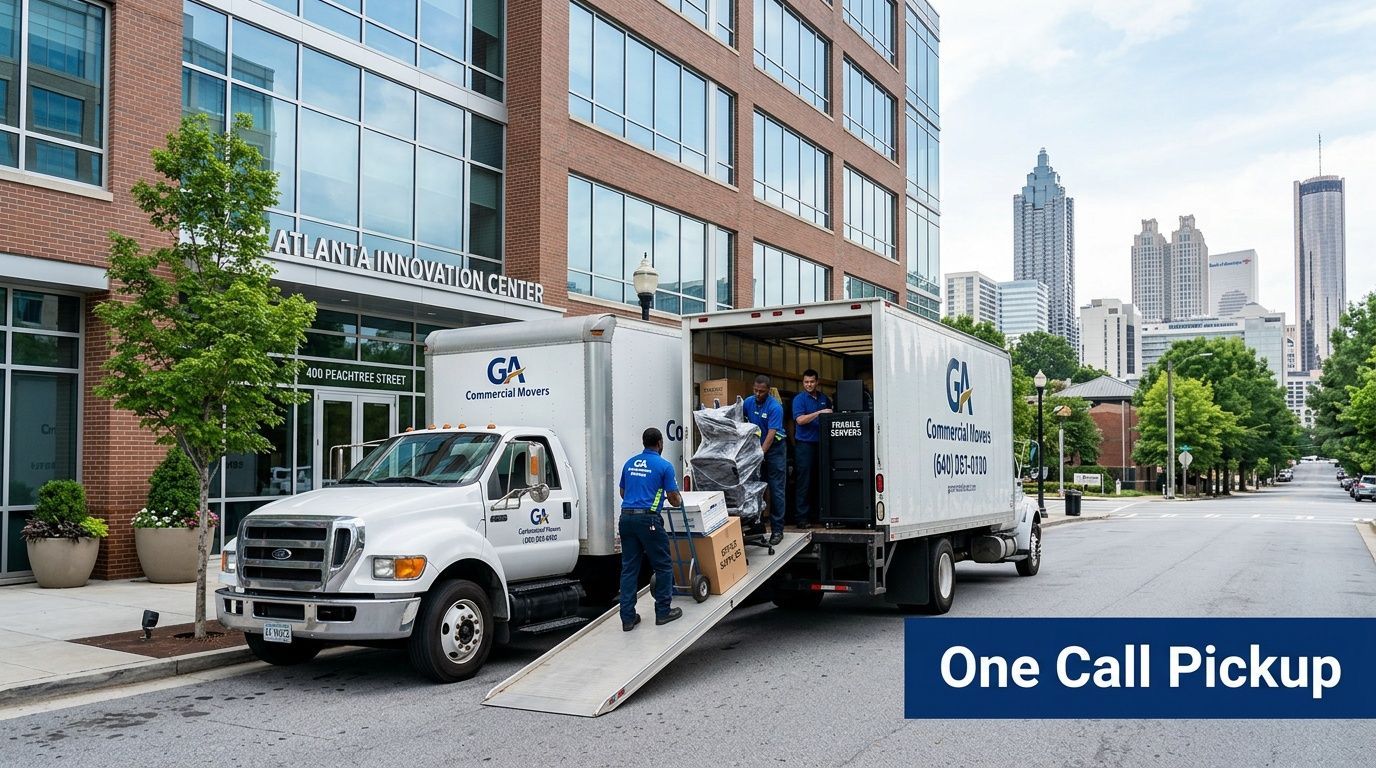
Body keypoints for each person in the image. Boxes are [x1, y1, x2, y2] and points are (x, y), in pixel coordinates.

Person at [618, 427, 683, 632]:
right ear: (660, 443)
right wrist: (678, 500)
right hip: (649, 521)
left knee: (629, 568)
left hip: (626, 518)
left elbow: (623, 492)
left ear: (643, 442)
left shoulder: (629, 463)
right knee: (663, 565)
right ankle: (663, 611)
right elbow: (673, 498)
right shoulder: (664, 466)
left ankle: (628, 618)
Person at [746, 375, 787, 546]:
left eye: (761, 392)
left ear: (768, 391)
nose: (757, 394)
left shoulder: (775, 407)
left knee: (776, 489)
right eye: (755, 390)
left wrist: (760, 454)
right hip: (757, 448)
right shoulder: (748, 402)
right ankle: (757, 526)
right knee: (756, 488)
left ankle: (777, 530)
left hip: (775, 449)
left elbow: (771, 434)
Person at [790, 369, 832, 529]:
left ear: (817, 382)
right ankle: (802, 518)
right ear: (803, 383)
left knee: (821, 480)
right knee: (804, 481)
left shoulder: (824, 398)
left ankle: (821, 515)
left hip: (822, 445)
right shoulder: (799, 400)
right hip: (805, 445)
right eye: (806, 382)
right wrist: (820, 412)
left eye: (812, 382)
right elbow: (800, 420)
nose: (809, 384)